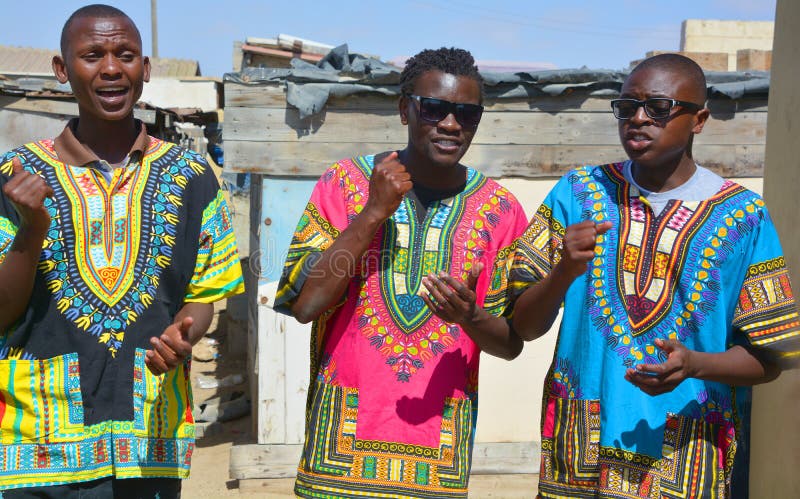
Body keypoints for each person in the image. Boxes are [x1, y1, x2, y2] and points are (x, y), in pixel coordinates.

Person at [509, 53, 800, 498]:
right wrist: (566, 269)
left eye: (658, 107)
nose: (638, 119)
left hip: (684, 456)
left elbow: (770, 358)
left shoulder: (744, 216)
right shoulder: (577, 192)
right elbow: (524, 327)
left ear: (699, 119)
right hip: (581, 452)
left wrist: (695, 364)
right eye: (626, 107)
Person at [0, 5, 244, 497]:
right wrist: (30, 230)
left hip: (150, 442)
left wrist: (186, 334)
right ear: (62, 69)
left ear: (145, 69)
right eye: (92, 55)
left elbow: (204, 295)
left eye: (125, 54)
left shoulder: (193, 176)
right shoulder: (15, 176)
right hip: (38, 448)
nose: (111, 68)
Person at [274, 47, 528, 498]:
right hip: (340, 452)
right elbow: (306, 305)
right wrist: (373, 212)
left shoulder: (501, 211)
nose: (450, 125)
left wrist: (470, 316)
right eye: (434, 109)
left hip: (436, 454)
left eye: (467, 114)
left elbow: (509, 345)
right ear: (404, 109)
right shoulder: (344, 184)